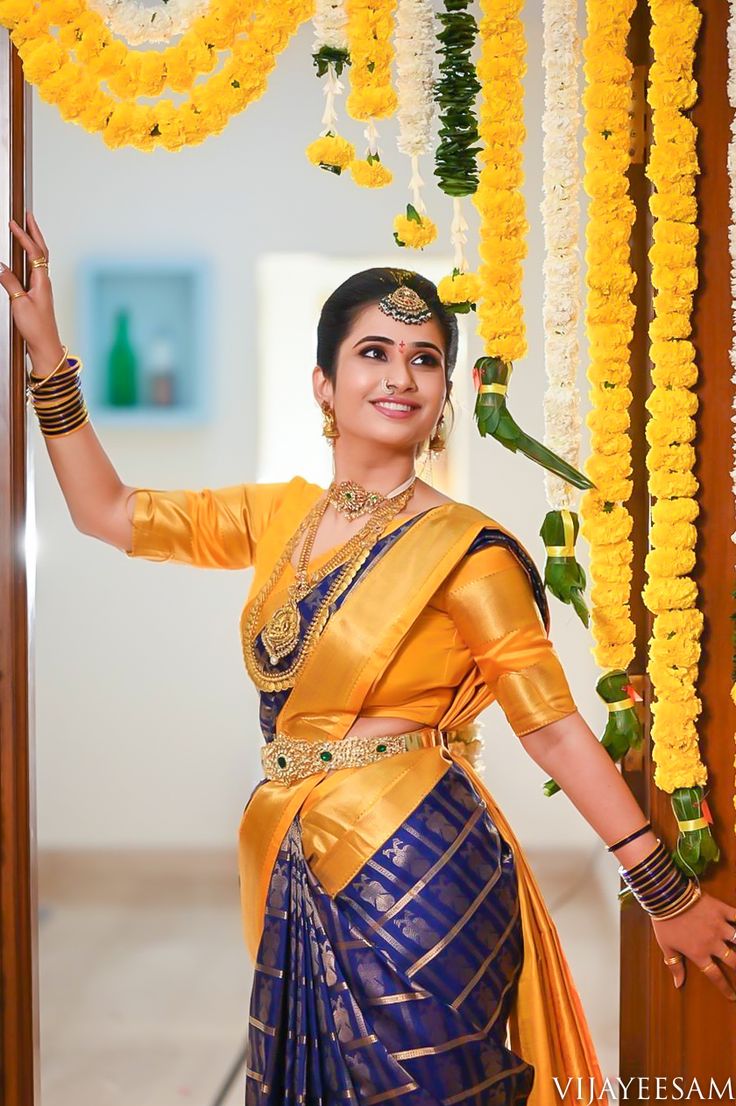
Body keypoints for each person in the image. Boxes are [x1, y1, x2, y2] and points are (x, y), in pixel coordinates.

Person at [4, 212, 736, 1106]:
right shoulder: (280, 516)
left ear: (444, 395)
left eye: (424, 359)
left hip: (423, 871)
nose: (400, 376)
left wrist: (663, 892)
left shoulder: (468, 551)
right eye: (375, 352)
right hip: (296, 858)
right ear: (324, 382)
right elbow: (108, 511)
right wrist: (46, 353)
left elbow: (553, 734)